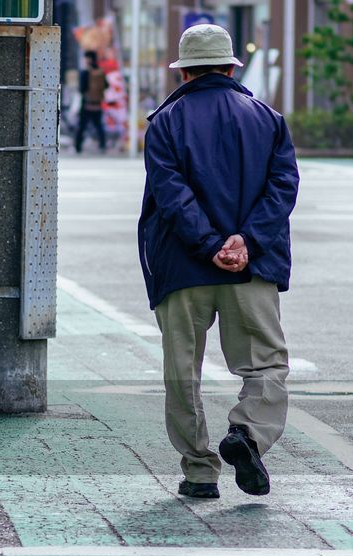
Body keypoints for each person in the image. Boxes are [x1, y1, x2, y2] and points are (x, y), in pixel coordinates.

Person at [137, 24, 299, 499]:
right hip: (252, 268)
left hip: (183, 267)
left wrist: (209, 244)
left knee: (182, 371)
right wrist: (245, 241)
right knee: (265, 364)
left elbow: (171, 196)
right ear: (231, 68)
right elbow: (283, 188)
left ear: (184, 73)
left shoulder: (165, 122)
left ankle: (199, 471)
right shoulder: (269, 119)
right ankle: (246, 434)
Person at [75, 51, 107, 154]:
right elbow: (107, 85)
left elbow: (81, 89)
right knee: (99, 126)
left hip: (86, 104)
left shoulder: (85, 72)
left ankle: (78, 147)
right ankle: (102, 145)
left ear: (89, 59)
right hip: (97, 104)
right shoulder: (101, 72)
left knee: (82, 126)